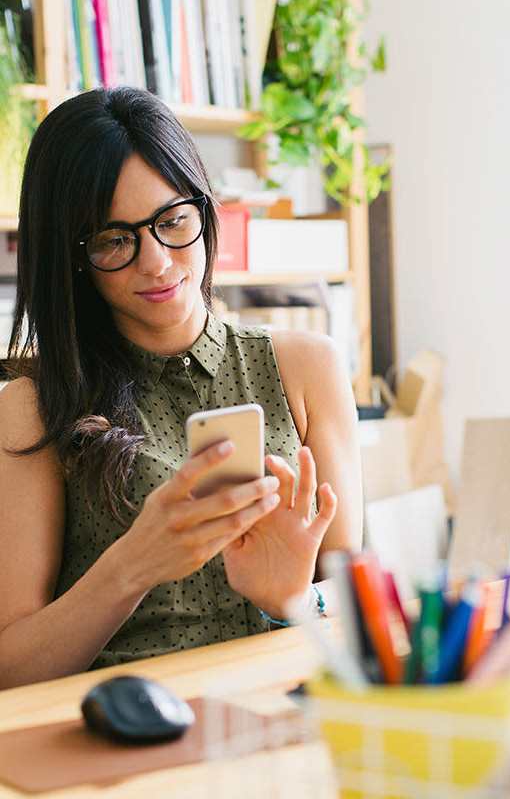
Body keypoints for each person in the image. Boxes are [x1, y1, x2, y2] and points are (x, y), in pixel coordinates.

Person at [0, 87, 362, 689]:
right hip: (125, 735)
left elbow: (360, 607)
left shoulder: (307, 367)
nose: (159, 263)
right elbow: (9, 670)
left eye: (172, 222)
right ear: (73, 258)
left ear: (205, 210)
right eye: (115, 240)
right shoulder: (33, 408)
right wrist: (132, 565)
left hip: (276, 718)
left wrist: (292, 599)